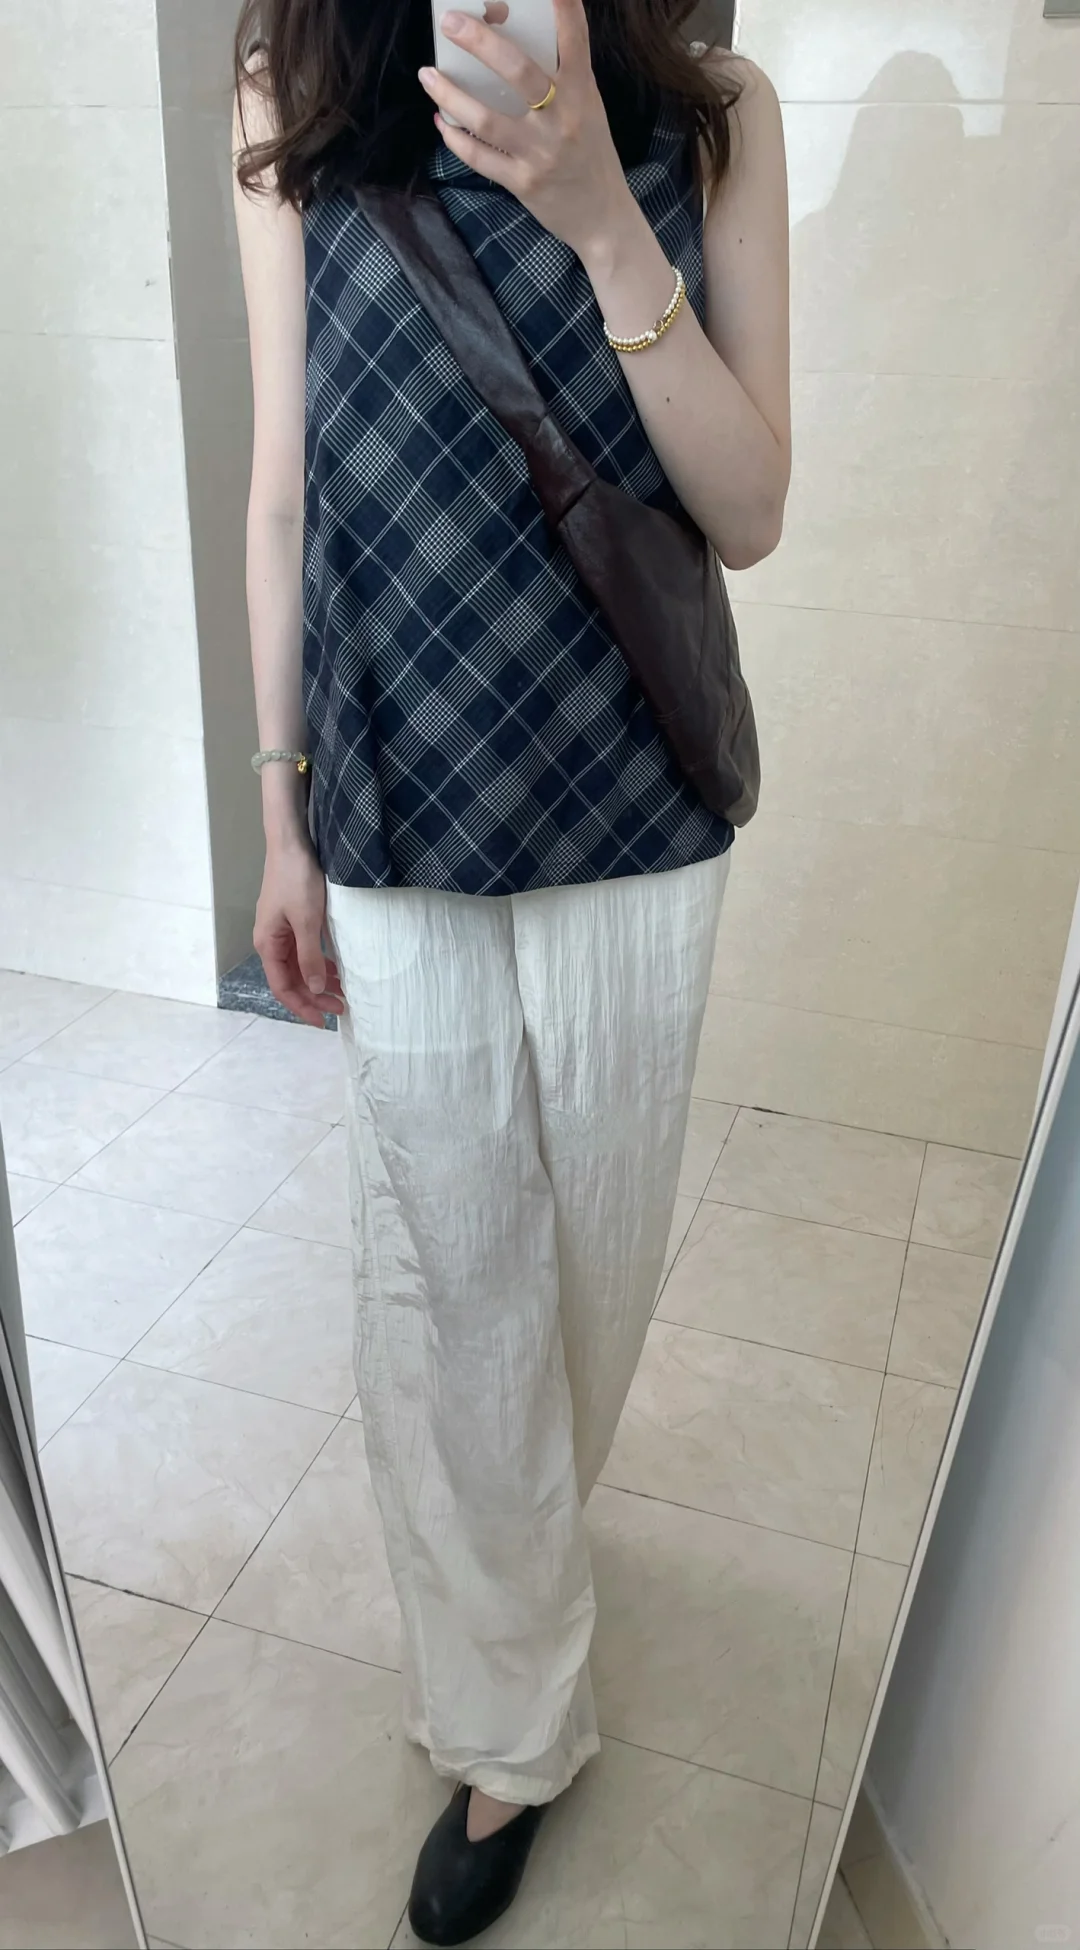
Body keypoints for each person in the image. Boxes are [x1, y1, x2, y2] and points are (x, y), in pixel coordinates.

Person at [232, 0, 789, 1939]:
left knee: (587, 1290)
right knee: (450, 1282)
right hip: (393, 800)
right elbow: (285, 481)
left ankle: (521, 1584)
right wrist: (281, 814)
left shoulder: (710, 115)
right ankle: (511, 1722)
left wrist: (599, 219)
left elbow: (751, 509)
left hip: (634, 812)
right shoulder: (299, 81)